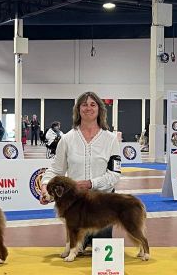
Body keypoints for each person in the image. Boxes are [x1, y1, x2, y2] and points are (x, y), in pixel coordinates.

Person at [40, 92, 121, 243]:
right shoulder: (66, 139)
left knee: (100, 248)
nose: (88, 108)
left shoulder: (111, 139)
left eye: (93, 104)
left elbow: (115, 174)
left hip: (102, 204)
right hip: (75, 204)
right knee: (76, 249)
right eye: (84, 104)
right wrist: (45, 186)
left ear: (99, 109)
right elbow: (56, 170)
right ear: (78, 109)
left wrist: (91, 183)